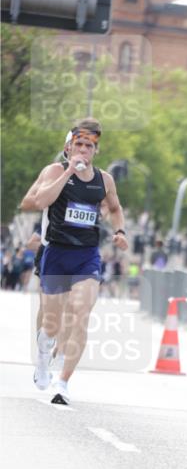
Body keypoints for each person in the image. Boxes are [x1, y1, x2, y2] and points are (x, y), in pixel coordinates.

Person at [30, 120, 128, 404]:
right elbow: (41, 200)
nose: (84, 150)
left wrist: (120, 231)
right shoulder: (55, 171)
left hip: (86, 255)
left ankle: (63, 383)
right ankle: (44, 353)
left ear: (96, 150)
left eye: (89, 146)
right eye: (79, 145)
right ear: (69, 147)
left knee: (81, 312)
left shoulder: (104, 180)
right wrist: (70, 171)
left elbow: (115, 208)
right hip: (56, 253)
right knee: (51, 324)